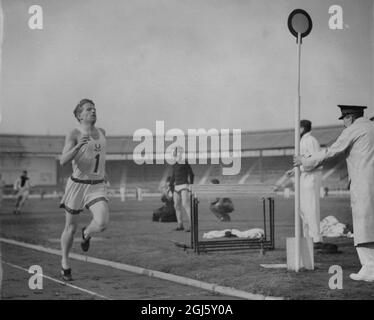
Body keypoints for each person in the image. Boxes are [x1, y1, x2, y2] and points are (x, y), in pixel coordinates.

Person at [294, 105, 374, 282]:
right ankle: (369, 267)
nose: (344, 123)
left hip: (364, 183)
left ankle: (369, 267)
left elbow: (331, 151)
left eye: (344, 119)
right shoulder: (370, 126)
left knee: (363, 224)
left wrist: (304, 161)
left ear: (349, 117)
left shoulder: (353, 129)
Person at [59, 98, 109, 281]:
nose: (93, 111)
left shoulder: (102, 132)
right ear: (80, 115)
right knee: (70, 228)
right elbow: (63, 160)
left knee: (102, 223)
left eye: (94, 109)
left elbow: (100, 157)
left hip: (97, 186)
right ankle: (65, 263)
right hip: (77, 185)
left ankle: (86, 233)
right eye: (88, 109)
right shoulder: (74, 133)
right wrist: (78, 146)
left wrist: (105, 174)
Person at [288, 120, 323, 247]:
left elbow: (315, 161)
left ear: (302, 128)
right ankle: (308, 238)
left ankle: (316, 238)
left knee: (311, 208)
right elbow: (303, 161)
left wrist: (300, 168)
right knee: (303, 209)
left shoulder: (310, 140)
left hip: (311, 177)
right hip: (304, 177)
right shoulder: (303, 141)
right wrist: (294, 170)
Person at [169, 146, 194, 232]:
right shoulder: (174, 164)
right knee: (176, 206)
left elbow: (192, 174)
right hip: (176, 187)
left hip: (184, 186)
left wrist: (191, 185)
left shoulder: (185, 162)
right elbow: (173, 177)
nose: (174, 155)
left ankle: (192, 226)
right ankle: (180, 225)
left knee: (186, 205)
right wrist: (170, 187)